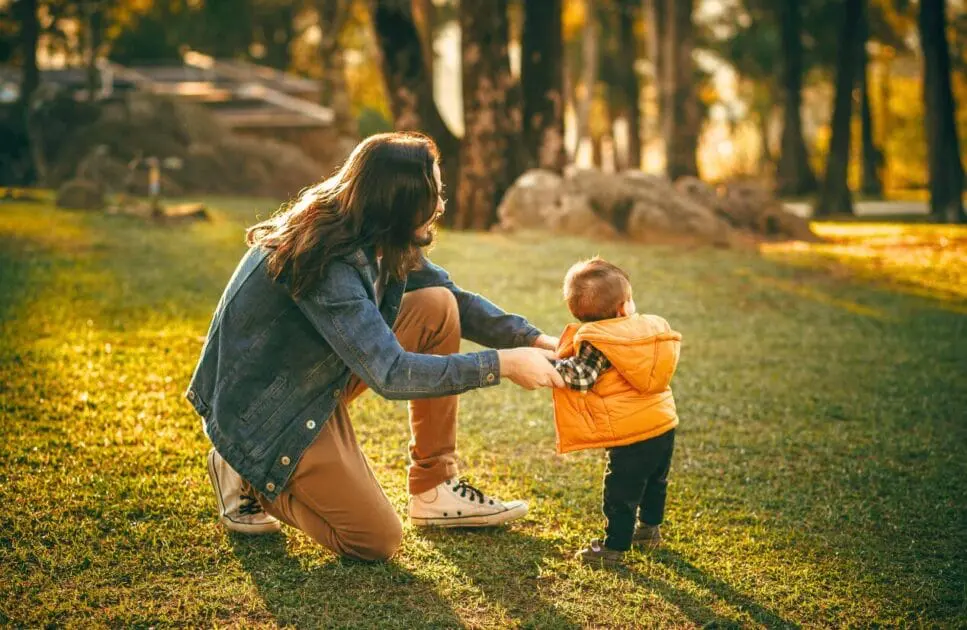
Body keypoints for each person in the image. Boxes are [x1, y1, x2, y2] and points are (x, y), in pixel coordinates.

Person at [186, 132, 564, 561]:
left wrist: (536, 340)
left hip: (314, 374)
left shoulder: (373, 225)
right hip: (268, 410)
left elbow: (452, 297)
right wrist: (504, 364)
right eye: (432, 194)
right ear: (398, 200)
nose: (441, 205)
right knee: (375, 539)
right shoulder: (328, 258)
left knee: (437, 306)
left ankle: (434, 486)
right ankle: (246, 470)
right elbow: (391, 372)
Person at [550, 257, 682, 566]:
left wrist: (553, 364)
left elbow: (582, 378)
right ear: (624, 308)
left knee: (621, 491)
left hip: (631, 435)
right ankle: (650, 530)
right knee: (655, 482)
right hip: (664, 422)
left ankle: (614, 547)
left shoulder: (599, 342)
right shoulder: (649, 329)